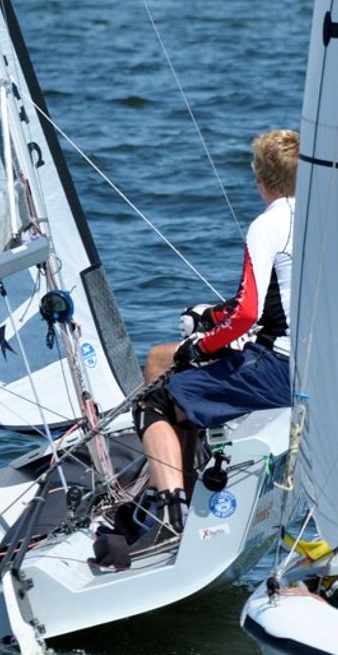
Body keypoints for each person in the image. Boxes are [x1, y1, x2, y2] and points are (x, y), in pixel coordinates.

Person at [95, 129, 299, 568]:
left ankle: (170, 514)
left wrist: (200, 345)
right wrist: (212, 317)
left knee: (155, 400)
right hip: (310, 365)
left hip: (277, 368)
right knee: (161, 360)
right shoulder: (321, 222)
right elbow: (272, 301)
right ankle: (175, 485)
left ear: (259, 180)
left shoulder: (268, 225)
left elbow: (247, 314)